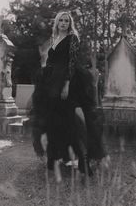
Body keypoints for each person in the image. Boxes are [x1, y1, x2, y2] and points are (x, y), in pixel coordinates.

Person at [31, 11, 108, 175]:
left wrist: (66, 84)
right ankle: (52, 158)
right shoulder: (54, 39)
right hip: (51, 83)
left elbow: (72, 62)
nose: (64, 23)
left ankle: (83, 162)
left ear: (69, 23)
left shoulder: (73, 38)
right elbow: (50, 61)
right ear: (57, 23)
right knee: (52, 121)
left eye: (66, 21)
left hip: (68, 81)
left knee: (68, 121)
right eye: (61, 21)